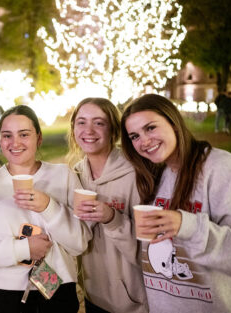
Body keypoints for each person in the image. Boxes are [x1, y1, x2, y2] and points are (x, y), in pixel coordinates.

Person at [0, 105, 93, 313]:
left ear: (38, 138)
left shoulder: (63, 176)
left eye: (24, 134)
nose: (15, 143)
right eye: (7, 135)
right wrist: (24, 249)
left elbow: (79, 244)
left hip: (55, 289)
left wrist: (48, 207)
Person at [121, 93, 231, 313]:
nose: (143, 142)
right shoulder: (150, 174)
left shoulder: (221, 168)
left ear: (173, 123)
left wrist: (186, 225)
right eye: (134, 136)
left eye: (151, 128)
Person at [68, 98, 148, 313]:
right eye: (81, 122)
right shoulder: (75, 174)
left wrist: (113, 218)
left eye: (99, 123)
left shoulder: (136, 173)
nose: (89, 130)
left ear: (113, 129)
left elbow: (149, 249)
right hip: (93, 295)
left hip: (132, 302)